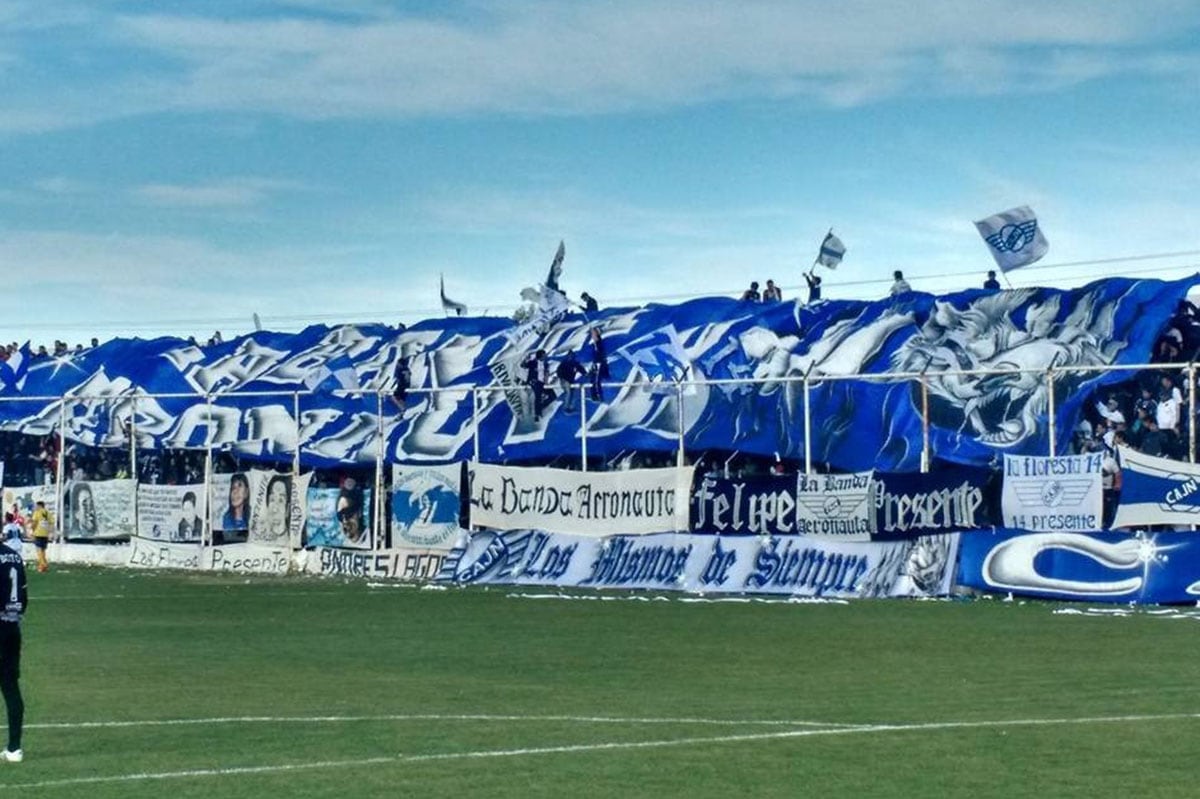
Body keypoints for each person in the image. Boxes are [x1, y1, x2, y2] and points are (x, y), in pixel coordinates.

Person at [0, 535, 26, 763]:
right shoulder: (15, 556)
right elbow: (24, 597)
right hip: (12, 628)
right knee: (10, 687)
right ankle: (14, 748)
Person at [521, 349, 554, 418]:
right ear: (541, 355)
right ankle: (537, 414)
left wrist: (546, 382)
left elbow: (546, 373)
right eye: (544, 355)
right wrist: (525, 359)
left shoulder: (545, 364)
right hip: (534, 381)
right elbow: (523, 365)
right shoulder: (533, 362)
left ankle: (541, 407)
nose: (545, 356)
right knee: (538, 395)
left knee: (552, 395)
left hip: (543, 382)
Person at [262, 475, 291, 543]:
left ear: (287, 509)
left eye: (281, 500)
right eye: (272, 500)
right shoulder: (259, 538)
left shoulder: (291, 543)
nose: (275, 509)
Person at [586, 328, 610, 402]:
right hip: (597, 363)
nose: (592, 336)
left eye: (594, 334)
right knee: (593, 380)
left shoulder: (598, 342)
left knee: (596, 380)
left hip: (599, 364)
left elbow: (596, 338)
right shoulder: (596, 344)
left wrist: (593, 331)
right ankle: (594, 396)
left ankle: (599, 396)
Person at [27, 502, 52, 574]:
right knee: (43, 551)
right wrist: (49, 532)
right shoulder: (48, 513)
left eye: (37, 506)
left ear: (40, 506)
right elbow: (51, 522)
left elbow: (34, 522)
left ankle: (43, 565)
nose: (36, 507)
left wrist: (32, 530)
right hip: (45, 534)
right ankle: (43, 566)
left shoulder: (37, 512)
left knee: (39, 550)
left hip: (38, 533)